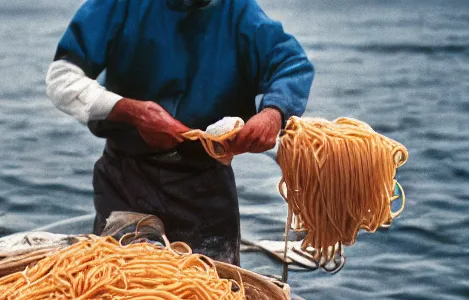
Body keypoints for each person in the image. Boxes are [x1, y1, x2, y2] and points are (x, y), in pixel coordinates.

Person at [46, 0, 313, 264]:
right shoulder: (119, 5)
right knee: (124, 286)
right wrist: (131, 111)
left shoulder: (239, 11)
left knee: (212, 294)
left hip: (206, 186)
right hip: (127, 179)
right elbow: (62, 78)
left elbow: (292, 65)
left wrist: (274, 112)